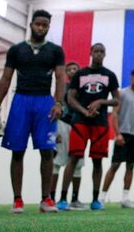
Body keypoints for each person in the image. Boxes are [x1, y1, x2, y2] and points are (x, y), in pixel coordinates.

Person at [0, 9, 65, 214]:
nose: (41, 27)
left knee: (47, 151)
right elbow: (6, 78)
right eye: (38, 24)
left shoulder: (55, 51)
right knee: (17, 151)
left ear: (48, 27)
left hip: (44, 103)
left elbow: (60, 78)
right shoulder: (16, 50)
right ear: (31, 24)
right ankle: (17, 200)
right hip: (21, 101)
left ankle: (46, 199)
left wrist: (58, 103)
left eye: (45, 25)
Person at [59, 43, 120, 211]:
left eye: (102, 52)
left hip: (100, 123)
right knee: (73, 158)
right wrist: (84, 112)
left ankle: (95, 200)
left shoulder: (110, 75)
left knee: (97, 161)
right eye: (96, 51)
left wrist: (101, 101)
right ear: (91, 52)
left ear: (105, 54)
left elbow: (117, 100)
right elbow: (70, 99)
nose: (99, 54)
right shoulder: (80, 74)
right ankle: (63, 199)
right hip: (80, 121)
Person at [99, 68, 134, 208]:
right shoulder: (121, 94)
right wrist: (117, 133)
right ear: (131, 78)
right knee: (115, 165)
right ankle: (101, 198)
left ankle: (125, 198)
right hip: (123, 134)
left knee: (131, 166)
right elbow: (114, 114)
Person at [52, 62, 87, 211]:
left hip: (79, 126)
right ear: (66, 73)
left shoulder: (84, 90)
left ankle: (74, 199)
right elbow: (54, 109)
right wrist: (54, 131)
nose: (73, 71)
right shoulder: (61, 90)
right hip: (63, 125)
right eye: (70, 69)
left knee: (78, 164)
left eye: (75, 69)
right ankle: (51, 198)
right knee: (57, 162)